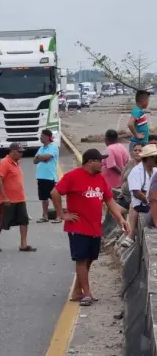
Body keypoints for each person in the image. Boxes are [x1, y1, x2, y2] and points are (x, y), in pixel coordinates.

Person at [51, 148, 130, 306]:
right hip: (78, 227)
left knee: (90, 259)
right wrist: (61, 214)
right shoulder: (73, 176)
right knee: (81, 260)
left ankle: (76, 291)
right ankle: (86, 294)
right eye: (100, 160)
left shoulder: (100, 179)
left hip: (94, 227)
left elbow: (109, 201)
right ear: (90, 162)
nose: (103, 163)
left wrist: (121, 219)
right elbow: (55, 192)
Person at [0, 142, 36, 252]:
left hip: (20, 198)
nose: (21, 154)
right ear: (12, 151)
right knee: (1, 222)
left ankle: (23, 244)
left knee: (24, 221)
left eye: (22, 152)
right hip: (7, 200)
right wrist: (5, 197)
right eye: (19, 152)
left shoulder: (16, 163)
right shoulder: (4, 163)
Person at [120, 144, 157, 247]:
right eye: (154, 157)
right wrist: (150, 201)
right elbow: (137, 193)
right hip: (143, 204)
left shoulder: (154, 170)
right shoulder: (136, 171)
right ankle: (131, 235)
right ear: (148, 158)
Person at [34, 129, 61, 223]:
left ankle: (58, 216)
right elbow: (35, 161)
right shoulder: (41, 148)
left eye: (42, 136)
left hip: (50, 177)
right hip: (41, 177)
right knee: (43, 198)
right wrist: (41, 157)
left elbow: (47, 158)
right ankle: (45, 216)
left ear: (47, 137)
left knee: (54, 198)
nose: (40, 137)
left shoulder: (54, 147)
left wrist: (40, 157)